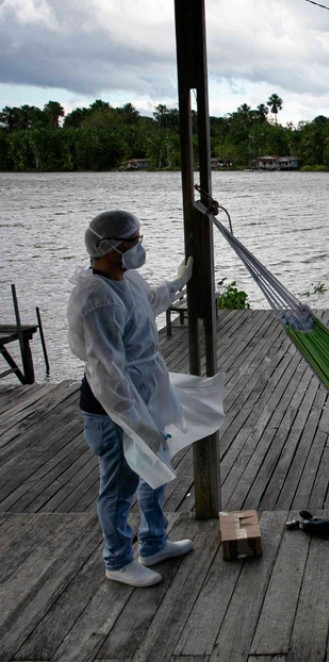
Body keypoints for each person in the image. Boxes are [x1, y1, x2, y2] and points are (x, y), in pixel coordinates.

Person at [67, 210, 197, 588]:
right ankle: (118, 560)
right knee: (119, 485)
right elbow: (108, 373)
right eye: (133, 242)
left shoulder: (125, 278)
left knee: (153, 470)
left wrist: (177, 283)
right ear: (107, 248)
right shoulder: (96, 299)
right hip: (112, 409)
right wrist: (136, 424)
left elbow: (150, 301)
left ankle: (153, 542)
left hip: (141, 395)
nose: (139, 247)